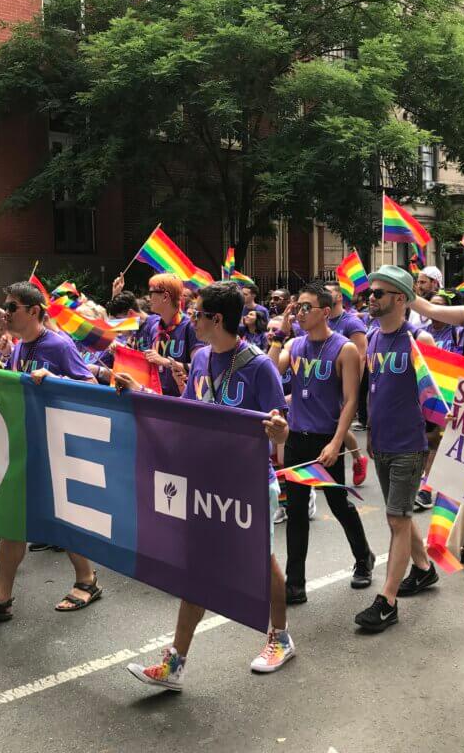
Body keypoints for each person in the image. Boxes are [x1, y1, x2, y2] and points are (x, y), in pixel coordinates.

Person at [123, 281, 295, 688]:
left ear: (216, 319)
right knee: (197, 568)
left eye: (197, 314)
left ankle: (281, 637)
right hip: (207, 481)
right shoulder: (200, 358)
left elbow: (283, 431)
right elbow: (189, 412)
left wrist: (279, 431)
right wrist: (142, 393)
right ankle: (175, 662)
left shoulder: (259, 366)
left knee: (262, 561)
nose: (191, 319)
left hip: (249, 483)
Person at [0, 282, 103, 621]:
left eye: (12, 308)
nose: (5, 313)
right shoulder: (22, 346)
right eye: (5, 308)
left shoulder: (57, 344)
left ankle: (87, 579)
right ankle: (1, 597)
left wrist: (52, 379)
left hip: (55, 449)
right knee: (12, 523)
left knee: (61, 520)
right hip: (27, 445)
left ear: (34, 311)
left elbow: (92, 388)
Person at [269, 283, 374, 602]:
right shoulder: (296, 345)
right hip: (297, 439)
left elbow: (351, 402)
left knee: (339, 505)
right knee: (297, 510)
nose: (298, 313)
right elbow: (270, 373)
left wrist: (337, 442)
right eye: (296, 307)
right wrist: (278, 337)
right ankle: (295, 582)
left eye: (305, 307)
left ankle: (364, 558)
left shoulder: (344, 349)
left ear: (325, 312)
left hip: (326, 440)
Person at [354, 266, 438, 632]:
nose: (370, 299)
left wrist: (432, 441)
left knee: (396, 519)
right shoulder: (372, 337)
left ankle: (386, 601)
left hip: (410, 443)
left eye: (378, 294)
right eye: (370, 293)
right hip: (382, 441)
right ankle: (423, 568)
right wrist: (370, 432)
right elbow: (374, 391)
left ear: (400, 299)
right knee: (399, 514)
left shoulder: (421, 340)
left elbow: (438, 400)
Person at [133, 274, 203, 397]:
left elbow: (200, 367)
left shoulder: (190, 326)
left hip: (181, 402)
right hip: (156, 397)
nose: (149, 299)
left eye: (151, 293)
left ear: (165, 296)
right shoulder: (154, 327)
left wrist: (164, 362)